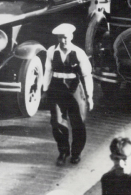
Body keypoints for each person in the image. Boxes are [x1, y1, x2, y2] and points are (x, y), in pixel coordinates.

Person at [43, 23, 93, 166]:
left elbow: (87, 75)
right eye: (60, 38)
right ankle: (63, 151)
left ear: (71, 37)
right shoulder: (51, 51)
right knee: (57, 122)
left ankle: (76, 153)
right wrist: (45, 90)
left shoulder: (78, 53)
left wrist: (89, 96)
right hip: (57, 88)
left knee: (78, 122)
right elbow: (47, 71)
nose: (63, 41)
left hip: (74, 89)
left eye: (65, 38)